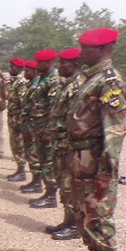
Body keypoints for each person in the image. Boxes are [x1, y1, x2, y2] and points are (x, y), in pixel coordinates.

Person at [63, 28, 126, 251]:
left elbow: (113, 131)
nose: (81, 53)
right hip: (79, 157)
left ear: (104, 50)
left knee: (99, 215)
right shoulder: (91, 79)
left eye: (86, 49)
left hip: (95, 160)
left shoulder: (110, 81)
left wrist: (105, 172)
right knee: (84, 214)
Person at [43, 48, 81, 240]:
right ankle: (67, 220)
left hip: (68, 144)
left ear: (74, 65)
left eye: (62, 63)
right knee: (62, 181)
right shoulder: (68, 84)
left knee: (69, 184)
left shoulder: (79, 86)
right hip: (60, 143)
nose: (59, 67)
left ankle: (74, 225)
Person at [27, 50, 63, 209]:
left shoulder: (54, 81)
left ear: (48, 63)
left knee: (48, 161)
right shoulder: (42, 79)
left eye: (39, 63)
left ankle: (51, 196)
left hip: (46, 129)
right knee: (42, 159)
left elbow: (55, 108)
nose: (36, 65)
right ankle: (47, 191)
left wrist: (49, 131)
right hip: (38, 126)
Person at [19, 61, 43, 194]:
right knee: (30, 153)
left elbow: (35, 108)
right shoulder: (31, 85)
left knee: (34, 154)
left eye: (28, 71)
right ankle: (35, 181)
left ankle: (37, 183)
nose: (25, 73)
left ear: (35, 72)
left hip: (33, 127)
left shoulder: (36, 87)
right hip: (28, 125)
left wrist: (30, 128)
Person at [6, 59, 28, 181]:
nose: (10, 69)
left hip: (17, 121)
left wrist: (20, 121)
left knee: (18, 146)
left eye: (13, 67)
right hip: (13, 120)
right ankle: (20, 170)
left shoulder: (21, 83)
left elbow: (23, 103)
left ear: (19, 69)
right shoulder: (15, 82)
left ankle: (21, 171)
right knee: (15, 145)